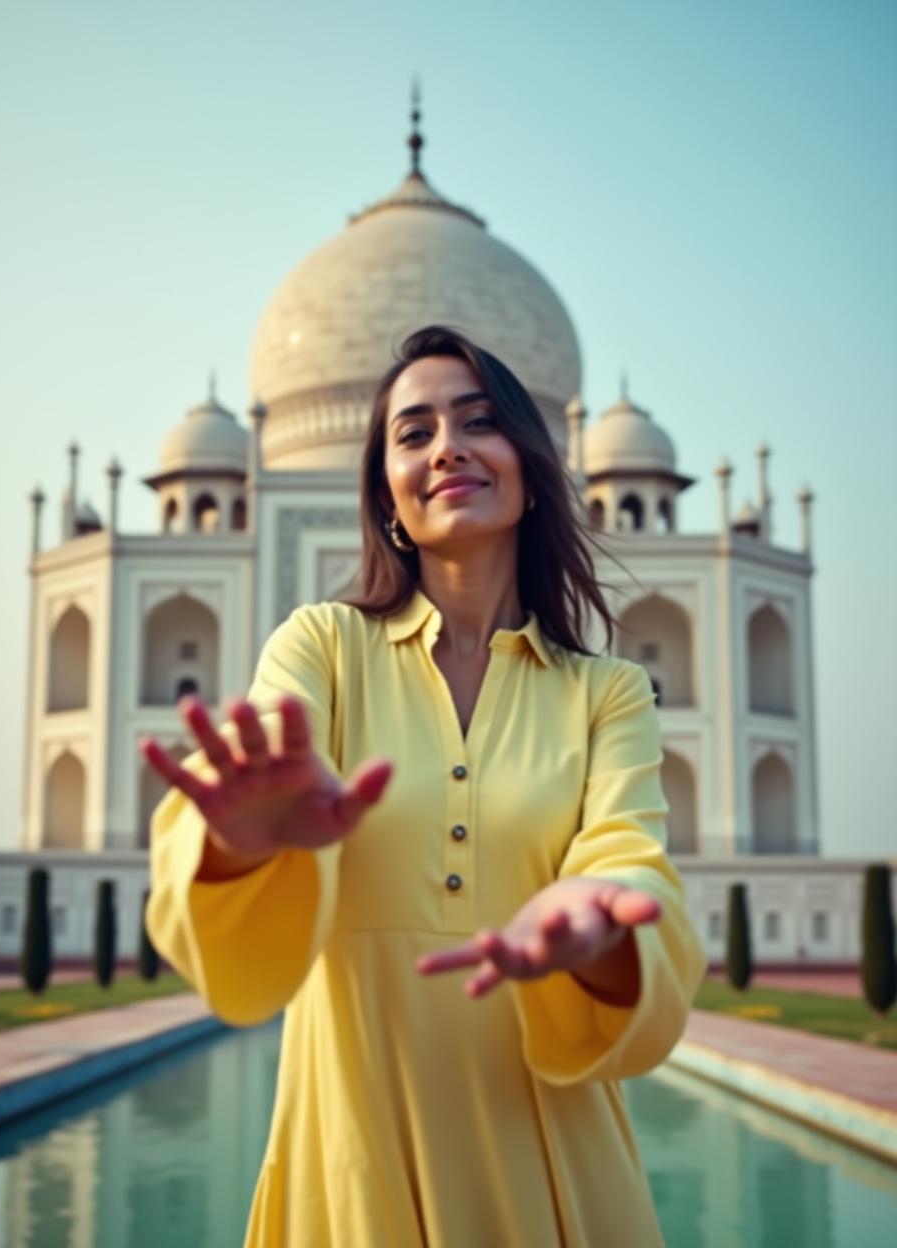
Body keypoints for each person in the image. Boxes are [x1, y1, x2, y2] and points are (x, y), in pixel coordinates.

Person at [142, 324, 707, 1247]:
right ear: (389, 500)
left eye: (477, 422)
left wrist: (595, 929)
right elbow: (253, 776)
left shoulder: (605, 692)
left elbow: (627, 857)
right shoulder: (320, 646)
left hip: (554, 1158)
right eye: (414, 432)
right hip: (356, 1150)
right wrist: (246, 836)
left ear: (530, 470)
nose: (447, 445)